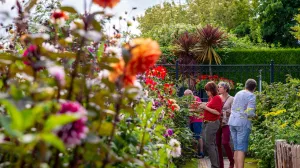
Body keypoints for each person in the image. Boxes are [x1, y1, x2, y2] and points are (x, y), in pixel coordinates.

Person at [228, 79, 257, 168]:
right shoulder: (251, 96)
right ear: (254, 88)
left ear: (245, 86)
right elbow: (249, 112)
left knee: (236, 148)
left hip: (232, 121)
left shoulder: (238, 93)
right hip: (242, 123)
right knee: (241, 148)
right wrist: (255, 116)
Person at [198, 81, 222, 168]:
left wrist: (205, 107)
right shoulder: (211, 98)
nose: (206, 92)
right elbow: (208, 109)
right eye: (206, 90)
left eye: (207, 90)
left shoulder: (217, 98)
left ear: (212, 90)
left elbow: (217, 112)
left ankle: (215, 165)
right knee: (211, 144)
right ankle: (215, 165)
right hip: (207, 123)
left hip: (212, 123)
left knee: (209, 144)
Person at [217, 82, 234, 168]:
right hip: (217, 122)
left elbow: (234, 111)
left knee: (225, 142)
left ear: (225, 89)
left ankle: (231, 161)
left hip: (226, 123)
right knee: (217, 144)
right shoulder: (217, 98)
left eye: (220, 87)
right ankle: (221, 164)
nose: (218, 89)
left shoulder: (232, 99)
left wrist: (225, 112)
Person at [184, 89, 204, 158]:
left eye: (186, 96)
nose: (185, 97)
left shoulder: (196, 98)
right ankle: (195, 153)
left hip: (197, 120)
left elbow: (199, 108)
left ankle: (201, 152)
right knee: (194, 137)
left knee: (198, 136)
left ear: (190, 94)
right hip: (192, 120)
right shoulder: (189, 100)